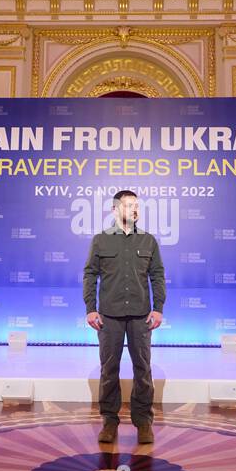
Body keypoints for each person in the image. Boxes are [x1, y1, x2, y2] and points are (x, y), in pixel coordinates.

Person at [83, 189, 165, 444]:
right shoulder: (100, 240)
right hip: (109, 316)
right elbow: (90, 275)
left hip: (141, 316)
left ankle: (143, 423)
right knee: (109, 370)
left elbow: (157, 276)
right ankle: (109, 421)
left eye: (137, 205)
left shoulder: (148, 241)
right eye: (129, 205)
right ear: (115, 209)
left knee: (143, 370)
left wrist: (158, 307)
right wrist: (91, 308)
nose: (134, 209)